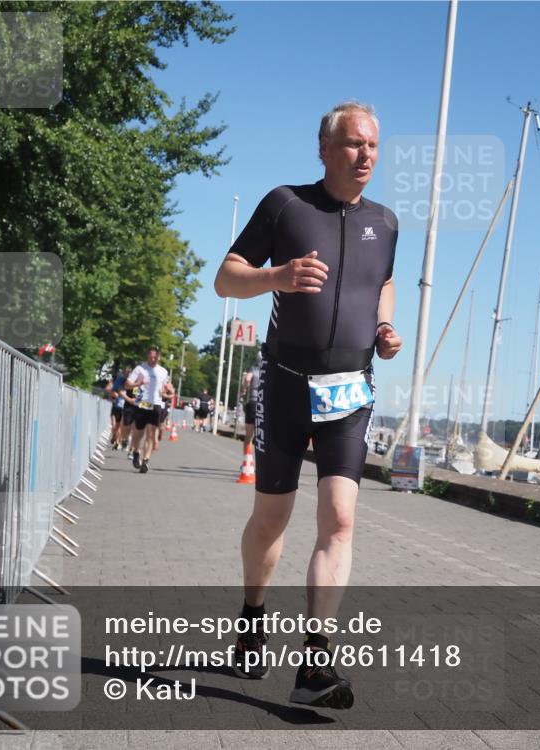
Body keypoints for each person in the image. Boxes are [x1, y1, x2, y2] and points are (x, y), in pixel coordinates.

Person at [213, 101, 401, 709]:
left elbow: (384, 281)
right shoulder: (285, 204)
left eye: (372, 144)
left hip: (350, 389)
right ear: (325, 149)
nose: (365, 154)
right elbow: (226, 277)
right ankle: (251, 616)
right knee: (272, 517)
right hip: (286, 383)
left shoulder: (386, 221)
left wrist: (384, 327)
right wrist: (277, 277)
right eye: (352, 144)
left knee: (340, 519)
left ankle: (315, 665)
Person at [124, 346, 174, 474]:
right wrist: (139, 384)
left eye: (155, 357)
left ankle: (145, 461)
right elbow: (127, 384)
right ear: (147, 356)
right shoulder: (140, 368)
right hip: (142, 403)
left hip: (156, 404)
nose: (153, 359)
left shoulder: (163, 371)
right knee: (138, 434)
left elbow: (167, 387)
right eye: (151, 357)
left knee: (151, 434)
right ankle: (136, 452)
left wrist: (167, 391)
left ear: (159, 357)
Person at [105, 366, 131, 449]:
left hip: (123, 408)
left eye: (128, 374)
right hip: (115, 406)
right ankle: (115, 437)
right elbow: (108, 388)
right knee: (114, 425)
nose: (127, 375)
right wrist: (113, 393)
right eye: (126, 373)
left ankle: (117, 441)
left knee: (119, 426)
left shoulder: (131, 384)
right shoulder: (118, 381)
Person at [242, 351, 263, 447]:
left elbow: (247, 379)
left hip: (253, 402)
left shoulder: (253, 369)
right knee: (261, 435)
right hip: (264, 404)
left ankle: (248, 459)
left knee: (249, 434)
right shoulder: (269, 372)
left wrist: (244, 389)